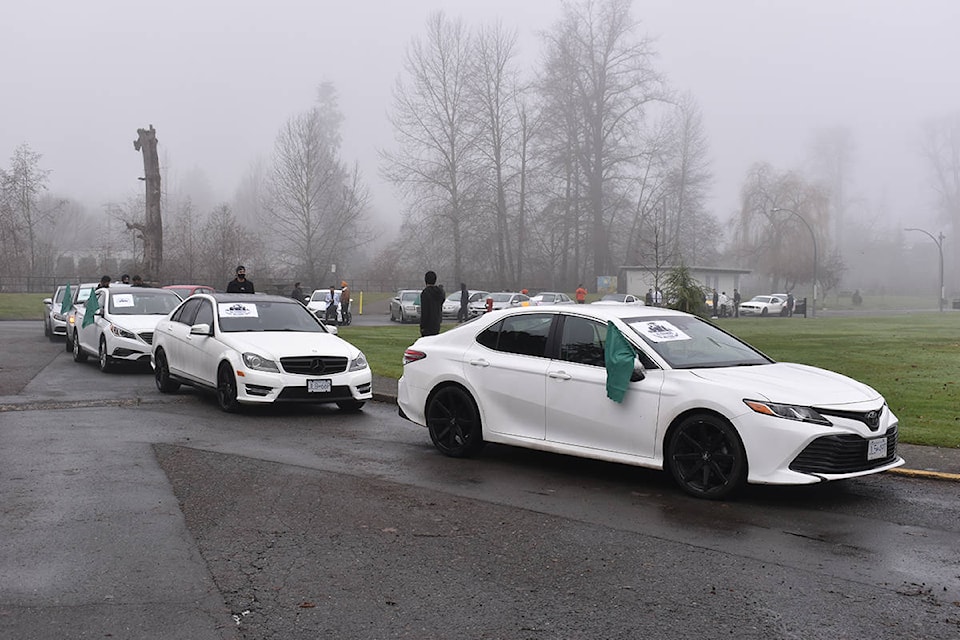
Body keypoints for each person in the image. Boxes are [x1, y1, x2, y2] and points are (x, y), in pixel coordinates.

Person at [419, 270, 445, 337]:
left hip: (427, 325)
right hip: (436, 323)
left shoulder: (425, 293)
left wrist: (422, 326)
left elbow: (424, 311)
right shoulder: (440, 293)